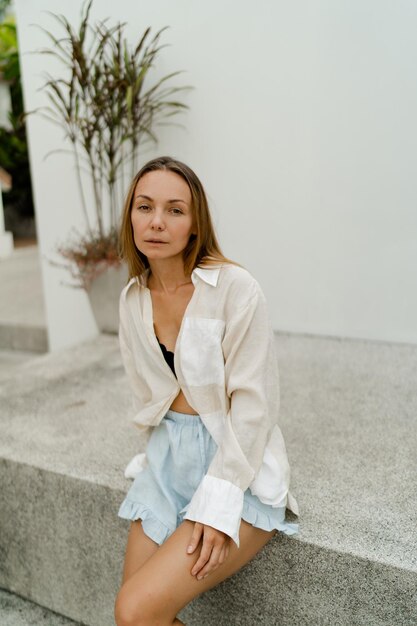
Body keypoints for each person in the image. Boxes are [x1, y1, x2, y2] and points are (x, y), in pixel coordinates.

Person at [114, 156, 299, 626]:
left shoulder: (236, 289)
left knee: (137, 612)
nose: (156, 221)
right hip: (167, 459)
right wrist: (158, 451)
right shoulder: (132, 298)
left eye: (175, 210)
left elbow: (255, 408)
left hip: (235, 458)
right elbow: (148, 392)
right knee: (131, 614)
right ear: (130, 216)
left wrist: (219, 500)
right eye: (144, 207)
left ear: (195, 224)